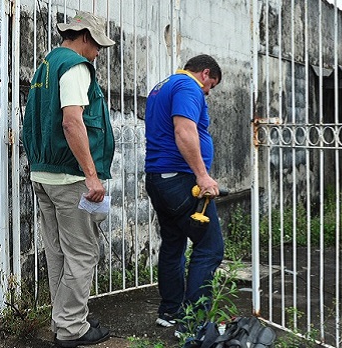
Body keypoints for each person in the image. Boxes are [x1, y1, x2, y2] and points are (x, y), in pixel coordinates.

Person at [21, 11, 115, 348]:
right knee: (83, 252)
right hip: (70, 176)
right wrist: (92, 176)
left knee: (59, 252)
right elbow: (72, 122)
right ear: (85, 37)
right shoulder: (74, 66)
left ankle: (65, 323)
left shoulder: (46, 65)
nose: (99, 52)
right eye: (98, 45)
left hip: (44, 173)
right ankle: (73, 329)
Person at [144, 54, 223, 337]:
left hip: (158, 179)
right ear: (204, 74)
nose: (208, 92)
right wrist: (202, 176)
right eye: (210, 86)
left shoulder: (162, 86)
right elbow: (184, 131)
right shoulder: (188, 87)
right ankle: (194, 325)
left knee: (174, 242)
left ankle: (170, 312)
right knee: (210, 247)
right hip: (179, 180)